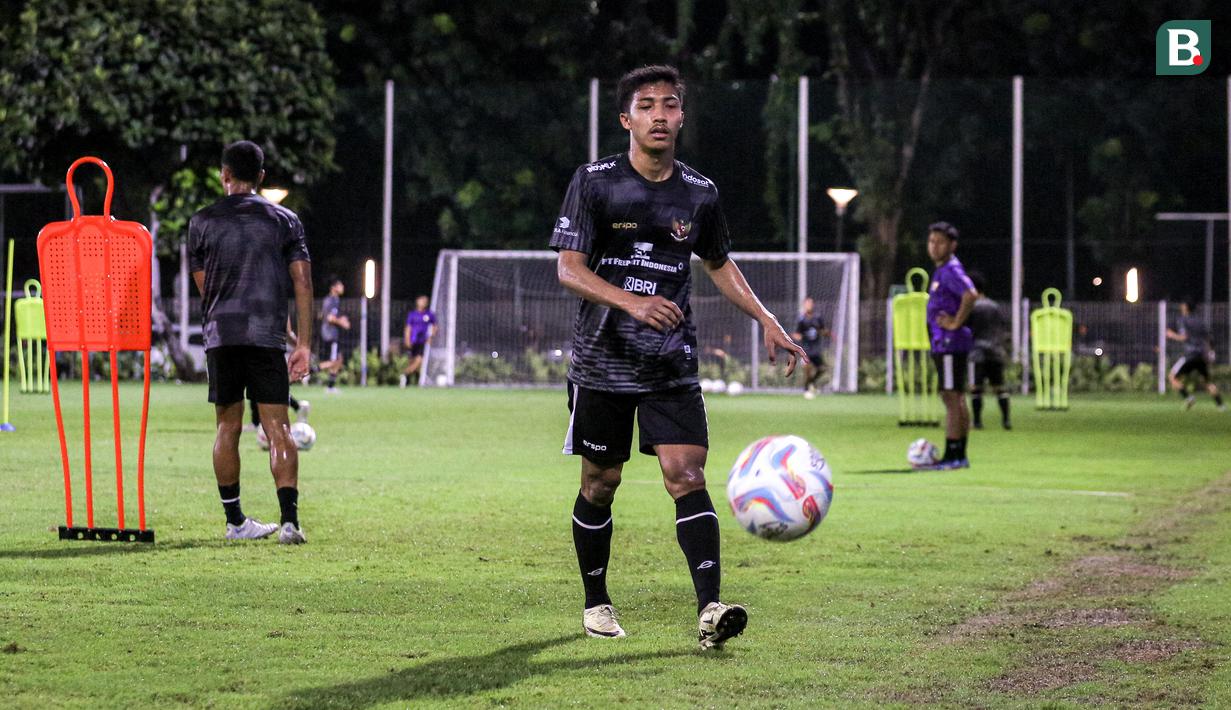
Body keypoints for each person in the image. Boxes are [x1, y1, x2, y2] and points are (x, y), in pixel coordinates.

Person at [550, 65, 807, 650]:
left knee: (686, 475)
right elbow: (569, 269)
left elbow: (718, 262)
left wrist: (767, 320)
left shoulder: (699, 192)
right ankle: (596, 603)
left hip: (671, 362)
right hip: (602, 363)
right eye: (646, 106)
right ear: (627, 119)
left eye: (669, 104)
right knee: (600, 482)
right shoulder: (594, 183)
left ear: (682, 116)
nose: (659, 115)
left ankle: (711, 610)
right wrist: (633, 302)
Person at [189, 140, 311, 544]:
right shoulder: (286, 220)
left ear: (224, 174)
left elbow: (205, 287)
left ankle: (235, 522)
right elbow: (302, 282)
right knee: (279, 426)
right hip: (265, 335)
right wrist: (304, 344)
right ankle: (289, 522)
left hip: (222, 335)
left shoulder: (201, 222)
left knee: (227, 426)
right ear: (260, 177)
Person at [919, 221, 977, 470]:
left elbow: (970, 294)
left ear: (952, 245)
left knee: (952, 397)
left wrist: (955, 323)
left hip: (950, 343)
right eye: (931, 241)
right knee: (954, 396)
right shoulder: (942, 270)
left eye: (940, 242)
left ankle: (954, 455)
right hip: (944, 344)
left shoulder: (951, 269)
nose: (934, 246)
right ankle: (958, 454)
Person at [248, 317, 311, 445]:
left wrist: (300, 346)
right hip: (263, 345)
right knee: (260, 385)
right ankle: (296, 406)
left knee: (260, 384)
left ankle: (258, 422)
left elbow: (287, 330)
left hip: (264, 346)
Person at [966, 272, 1011, 430]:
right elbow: (1003, 328)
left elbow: (967, 328)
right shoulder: (994, 306)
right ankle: (1006, 421)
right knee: (1000, 387)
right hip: (995, 351)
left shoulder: (971, 307)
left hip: (977, 353)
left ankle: (977, 422)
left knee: (976, 388)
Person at [1166, 299, 1226, 411]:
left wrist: (1171, 334)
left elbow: (1184, 337)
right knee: (1208, 382)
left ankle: (1189, 398)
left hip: (1190, 355)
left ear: (1186, 307)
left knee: (1172, 377)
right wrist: (1211, 353)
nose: (1181, 307)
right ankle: (1221, 406)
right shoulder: (1200, 321)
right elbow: (1209, 338)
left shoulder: (1183, 320)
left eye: (1182, 305)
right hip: (1202, 356)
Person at [792, 297, 829, 399]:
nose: (809, 306)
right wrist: (799, 336)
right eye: (807, 304)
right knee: (807, 369)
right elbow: (796, 334)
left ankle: (812, 383)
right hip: (806, 349)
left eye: (811, 304)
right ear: (804, 305)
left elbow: (824, 331)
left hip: (816, 349)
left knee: (823, 369)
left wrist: (824, 332)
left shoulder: (818, 318)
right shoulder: (801, 319)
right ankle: (806, 389)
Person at [318, 277, 350, 393]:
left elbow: (323, 315)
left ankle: (330, 387)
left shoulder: (334, 300)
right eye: (340, 285)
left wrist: (341, 318)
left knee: (339, 360)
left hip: (332, 334)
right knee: (334, 361)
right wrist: (342, 322)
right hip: (330, 334)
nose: (342, 287)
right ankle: (310, 370)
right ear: (333, 287)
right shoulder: (331, 300)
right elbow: (330, 318)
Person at [400, 295, 437, 387]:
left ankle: (405, 374)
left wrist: (431, 336)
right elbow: (408, 328)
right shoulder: (413, 314)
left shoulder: (429, 314)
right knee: (412, 361)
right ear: (417, 302)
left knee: (420, 360)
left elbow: (435, 326)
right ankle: (408, 379)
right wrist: (407, 339)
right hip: (413, 341)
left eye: (425, 301)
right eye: (421, 300)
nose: (423, 302)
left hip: (423, 342)